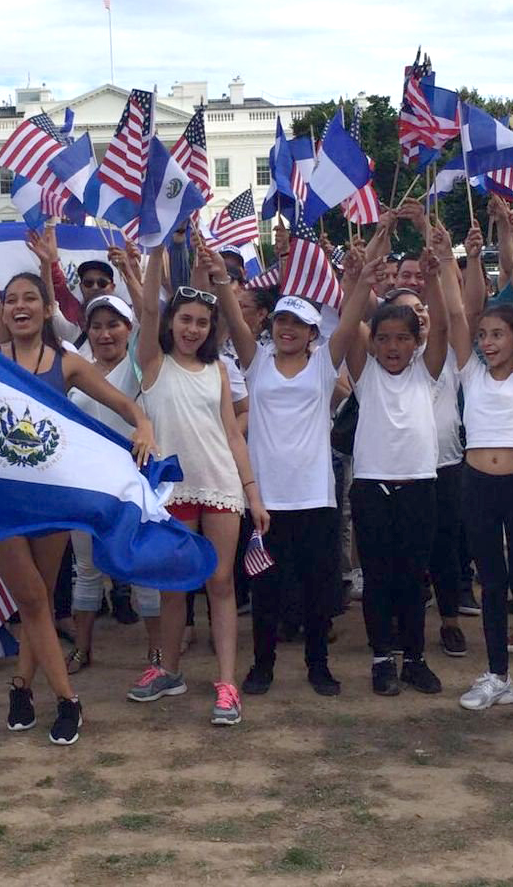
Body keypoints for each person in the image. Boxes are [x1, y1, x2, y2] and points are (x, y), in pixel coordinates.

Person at [205, 239, 374, 698]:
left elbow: (351, 316)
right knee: (265, 588)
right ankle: (262, 665)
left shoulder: (324, 365)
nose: (288, 329)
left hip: (315, 496)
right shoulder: (256, 361)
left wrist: (362, 275)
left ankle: (319, 666)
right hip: (266, 499)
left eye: (298, 323)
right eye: (282, 320)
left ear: (313, 332)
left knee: (318, 588)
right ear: (272, 324)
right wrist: (220, 277)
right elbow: (233, 313)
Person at [0, 270, 156, 745]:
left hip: (52, 496)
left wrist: (143, 425)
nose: (19, 306)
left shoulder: (66, 362)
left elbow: (126, 405)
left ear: (47, 309)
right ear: (2, 310)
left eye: (30, 298)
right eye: (10, 299)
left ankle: (21, 687)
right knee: (31, 597)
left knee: (38, 599)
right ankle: (68, 699)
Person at [126, 245, 269, 725]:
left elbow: (232, 434)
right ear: (171, 323)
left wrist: (253, 494)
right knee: (175, 585)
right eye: (185, 319)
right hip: (173, 490)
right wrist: (155, 251)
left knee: (221, 582)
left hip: (220, 487)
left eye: (202, 323)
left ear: (212, 329)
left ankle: (227, 684)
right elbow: (148, 309)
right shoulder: (152, 362)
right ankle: (168, 670)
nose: (192, 329)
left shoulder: (219, 371)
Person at [441, 215, 513, 720]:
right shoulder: (470, 373)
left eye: (498, 335)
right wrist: (457, 258)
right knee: (491, 581)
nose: (488, 342)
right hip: (476, 485)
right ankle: (496, 675)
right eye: (484, 335)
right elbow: (457, 311)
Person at [346, 237, 448, 698]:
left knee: (413, 578)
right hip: (372, 489)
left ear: (416, 342)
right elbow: (351, 325)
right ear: (372, 343)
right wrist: (360, 277)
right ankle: (382, 658)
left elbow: (443, 326)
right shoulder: (364, 372)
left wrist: (435, 277)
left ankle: (416, 659)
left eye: (403, 338)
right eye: (383, 338)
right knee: (378, 579)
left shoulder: (426, 372)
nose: (392, 346)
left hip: (420, 488)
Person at [65, 291, 161, 672]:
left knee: (142, 570)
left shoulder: (140, 368)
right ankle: (82, 649)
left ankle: (157, 652)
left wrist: (138, 273)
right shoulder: (76, 373)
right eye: (97, 326)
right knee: (87, 571)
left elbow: (151, 314)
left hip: (131, 487)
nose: (105, 334)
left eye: (114, 325)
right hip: (86, 488)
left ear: (128, 329)